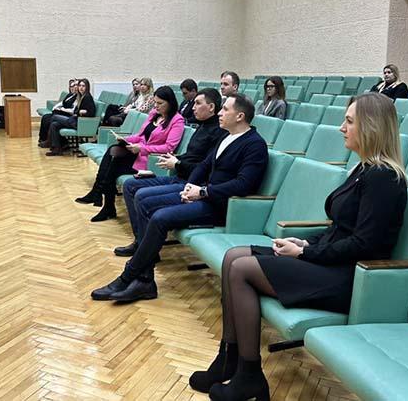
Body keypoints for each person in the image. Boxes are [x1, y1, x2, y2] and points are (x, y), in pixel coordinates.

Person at [188, 92, 408, 400]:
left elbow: (364, 244)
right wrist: (305, 241)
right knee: (233, 256)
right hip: (330, 261)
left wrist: (305, 252)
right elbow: (340, 229)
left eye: (349, 121)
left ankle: (249, 374)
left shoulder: (384, 178)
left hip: (348, 277)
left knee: (241, 269)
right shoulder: (365, 169)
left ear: (371, 127)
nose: (341, 128)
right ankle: (228, 358)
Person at [90, 94, 269, 303]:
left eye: (225, 109)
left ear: (240, 116)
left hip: (223, 206)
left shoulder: (255, 145)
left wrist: (203, 192)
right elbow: (204, 166)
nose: (220, 113)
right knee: (145, 202)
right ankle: (144, 279)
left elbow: (243, 184)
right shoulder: (228, 136)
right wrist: (189, 187)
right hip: (204, 196)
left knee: (160, 217)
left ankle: (130, 276)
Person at [114, 88, 225, 257]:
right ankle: (141, 242)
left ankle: (145, 249)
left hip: (191, 184)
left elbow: (205, 168)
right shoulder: (202, 126)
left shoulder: (218, 133)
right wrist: (176, 159)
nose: (193, 107)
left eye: (197, 103)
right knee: (130, 185)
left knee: (142, 196)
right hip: (180, 176)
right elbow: (193, 157)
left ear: (211, 107)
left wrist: (178, 163)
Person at [75, 86, 185, 221]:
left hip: (150, 160)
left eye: (160, 103)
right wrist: (125, 139)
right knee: (113, 152)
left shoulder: (177, 120)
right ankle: (103, 202)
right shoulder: (154, 114)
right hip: (137, 153)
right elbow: (140, 135)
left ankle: (101, 198)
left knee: (112, 165)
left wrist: (142, 148)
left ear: (170, 103)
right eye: (155, 102)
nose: (156, 106)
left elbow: (169, 147)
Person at [45, 78, 95, 156]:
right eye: (80, 86)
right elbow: (75, 110)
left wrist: (83, 112)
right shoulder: (81, 96)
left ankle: (51, 141)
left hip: (79, 123)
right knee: (54, 125)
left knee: (54, 117)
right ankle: (57, 148)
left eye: (83, 86)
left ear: (87, 87)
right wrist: (78, 112)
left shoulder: (87, 97)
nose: (81, 88)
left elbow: (92, 113)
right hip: (74, 120)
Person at [38, 78, 77, 146]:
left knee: (51, 121)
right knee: (45, 117)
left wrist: (61, 109)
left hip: (68, 115)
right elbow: (62, 103)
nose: (72, 88)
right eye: (70, 86)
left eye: (73, 86)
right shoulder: (70, 95)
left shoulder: (77, 96)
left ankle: (54, 141)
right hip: (62, 113)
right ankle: (43, 138)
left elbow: (74, 110)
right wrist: (56, 108)